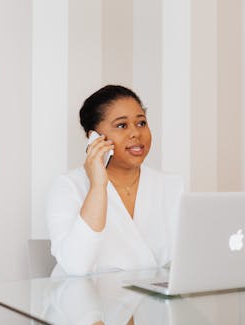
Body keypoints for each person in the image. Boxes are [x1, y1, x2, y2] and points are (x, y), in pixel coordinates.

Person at [46, 85, 184, 276]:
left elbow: (188, 257)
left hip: (153, 301)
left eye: (141, 123)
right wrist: (97, 187)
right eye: (122, 125)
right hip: (84, 301)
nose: (136, 133)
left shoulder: (173, 185)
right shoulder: (68, 186)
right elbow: (76, 266)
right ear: (93, 137)